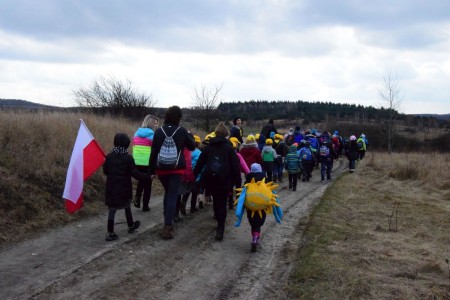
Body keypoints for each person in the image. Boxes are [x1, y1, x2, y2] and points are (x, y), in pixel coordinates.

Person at [149, 106, 196, 239]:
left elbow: (153, 153)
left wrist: (151, 171)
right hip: (176, 169)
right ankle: (167, 227)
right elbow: (192, 146)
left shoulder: (158, 131)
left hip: (161, 169)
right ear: (179, 117)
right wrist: (187, 134)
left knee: (168, 193)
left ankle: (167, 219)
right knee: (172, 195)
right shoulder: (181, 131)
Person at [194, 122, 241, 241]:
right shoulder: (229, 148)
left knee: (216, 200)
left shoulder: (209, 147)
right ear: (226, 135)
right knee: (222, 202)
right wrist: (238, 182)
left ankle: (217, 215)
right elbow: (236, 166)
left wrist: (194, 176)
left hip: (211, 178)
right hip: (225, 180)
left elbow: (200, 163)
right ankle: (220, 228)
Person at [103, 133, 148, 241]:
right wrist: (147, 177)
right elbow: (135, 173)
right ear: (127, 145)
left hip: (111, 188)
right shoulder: (128, 158)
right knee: (127, 206)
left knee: (112, 210)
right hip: (124, 188)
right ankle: (130, 226)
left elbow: (105, 171)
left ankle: (110, 232)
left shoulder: (108, 157)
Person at [132, 114, 159, 212]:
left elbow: (134, 147)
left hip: (137, 161)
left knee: (142, 180)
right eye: (155, 123)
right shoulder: (153, 135)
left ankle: (137, 197)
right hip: (148, 162)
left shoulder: (136, 133)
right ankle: (145, 206)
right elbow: (155, 150)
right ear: (151, 123)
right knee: (148, 184)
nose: (156, 126)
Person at [244, 163, 267, 252]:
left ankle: (254, 237)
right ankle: (256, 236)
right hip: (262, 205)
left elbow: (244, 190)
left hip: (251, 205)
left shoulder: (249, 178)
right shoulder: (264, 178)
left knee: (253, 222)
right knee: (259, 222)